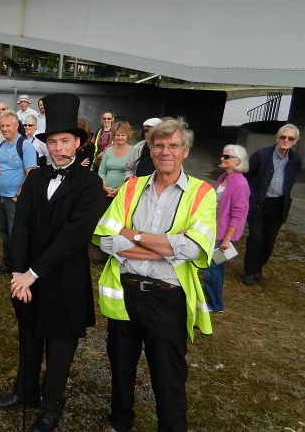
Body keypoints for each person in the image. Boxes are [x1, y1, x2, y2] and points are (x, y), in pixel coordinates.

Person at [93, 117, 216, 432]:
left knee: (168, 376)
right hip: (126, 293)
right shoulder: (131, 187)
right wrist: (166, 247)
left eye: (173, 145)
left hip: (167, 299)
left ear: (184, 151)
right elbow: (107, 239)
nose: (165, 152)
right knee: (121, 366)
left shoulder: (202, 193)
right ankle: (120, 421)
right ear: (149, 148)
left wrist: (132, 235)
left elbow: (191, 249)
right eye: (159, 145)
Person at [0, 93, 103, 432]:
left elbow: (74, 236)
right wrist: (17, 272)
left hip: (64, 278)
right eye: (52, 141)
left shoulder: (90, 184)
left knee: (59, 344)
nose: (58, 148)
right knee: (28, 335)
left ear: (78, 143)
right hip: (26, 276)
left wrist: (33, 273)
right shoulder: (37, 178)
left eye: (65, 141)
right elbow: (20, 226)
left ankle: (52, 404)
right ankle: (25, 392)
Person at [243, 123, 302, 286]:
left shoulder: (296, 159)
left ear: (295, 141)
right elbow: (245, 176)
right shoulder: (262, 155)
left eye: (290, 138)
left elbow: (291, 180)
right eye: (283, 137)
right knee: (255, 237)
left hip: (278, 205)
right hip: (259, 203)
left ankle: (258, 268)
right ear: (277, 138)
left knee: (269, 240)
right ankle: (249, 270)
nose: (285, 140)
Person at [204, 145, 250, 311]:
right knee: (214, 268)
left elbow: (238, 214)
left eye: (226, 156)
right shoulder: (223, 176)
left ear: (237, 161)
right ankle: (212, 300)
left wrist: (227, 239)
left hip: (223, 234)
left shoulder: (240, 184)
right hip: (214, 230)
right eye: (222, 155)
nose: (222, 158)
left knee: (212, 268)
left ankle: (214, 304)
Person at [0, 110, 38, 274]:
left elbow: (31, 173)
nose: (4, 129)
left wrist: (19, 195)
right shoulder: (2, 144)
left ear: (16, 125)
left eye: (7, 125)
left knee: (15, 234)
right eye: (2, 126)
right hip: (0, 195)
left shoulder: (25, 145)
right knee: (4, 232)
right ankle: (8, 263)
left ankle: (19, 267)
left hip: (14, 198)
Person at [98, 121, 133, 203]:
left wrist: (119, 189)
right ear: (113, 136)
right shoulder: (108, 150)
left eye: (123, 135)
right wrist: (105, 186)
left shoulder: (133, 151)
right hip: (105, 192)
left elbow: (133, 174)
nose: (120, 138)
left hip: (124, 194)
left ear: (128, 136)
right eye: (117, 135)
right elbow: (101, 171)